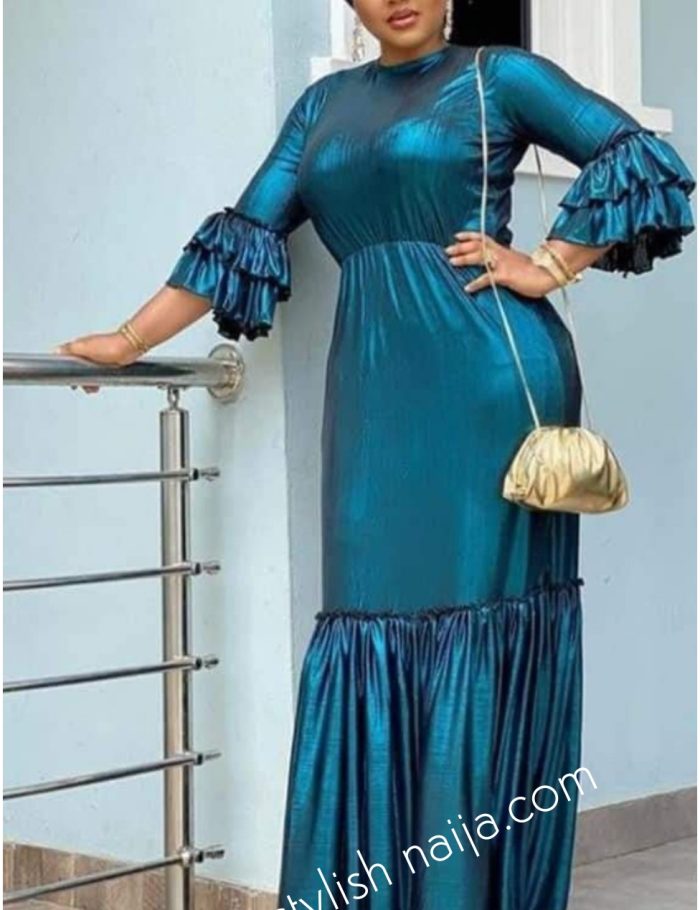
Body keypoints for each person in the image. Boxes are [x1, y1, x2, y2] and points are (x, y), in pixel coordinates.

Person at [55, 1, 696, 907]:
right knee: (366, 623)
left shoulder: (498, 76)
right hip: (372, 392)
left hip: (488, 384)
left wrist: (548, 264)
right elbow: (246, 233)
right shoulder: (323, 107)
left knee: (476, 623)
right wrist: (127, 341)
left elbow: (637, 155)